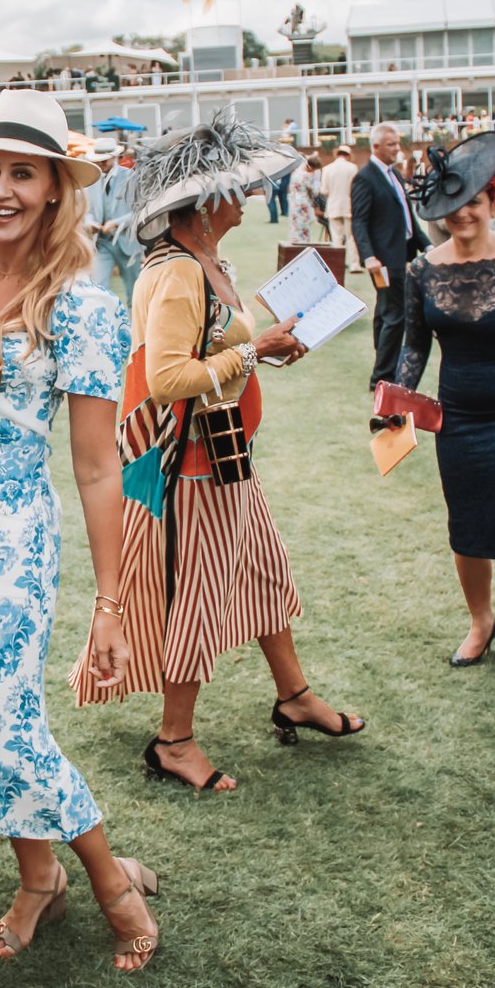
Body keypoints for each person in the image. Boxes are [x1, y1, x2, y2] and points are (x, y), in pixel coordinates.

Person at [0, 91, 160, 974]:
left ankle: (110, 883)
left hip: (9, 544)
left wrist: (111, 604)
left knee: (8, 724)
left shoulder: (82, 306)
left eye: (22, 173)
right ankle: (38, 881)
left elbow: (100, 466)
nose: (0, 188)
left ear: (57, 190)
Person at [71, 112, 364, 787]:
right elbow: (168, 378)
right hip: (193, 472)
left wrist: (263, 352)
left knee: (265, 576)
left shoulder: (208, 262)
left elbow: (214, 356)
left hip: (229, 461)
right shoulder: (175, 274)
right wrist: (251, 350)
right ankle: (174, 741)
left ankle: (293, 695)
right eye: (235, 189)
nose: (247, 197)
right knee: (195, 604)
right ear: (203, 205)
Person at [391, 133, 495, 690]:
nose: (464, 213)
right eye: (453, 205)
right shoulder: (422, 269)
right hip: (458, 418)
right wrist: (397, 404)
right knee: (465, 525)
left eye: (475, 201)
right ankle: (481, 621)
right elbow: (413, 345)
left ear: (494, 201)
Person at [351, 123, 428, 389]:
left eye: (397, 143)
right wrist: (369, 256)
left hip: (402, 253)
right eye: (391, 144)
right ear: (376, 147)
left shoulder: (393, 175)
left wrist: (427, 245)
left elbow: (408, 219)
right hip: (384, 259)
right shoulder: (366, 177)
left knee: (386, 313)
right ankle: (383, 376)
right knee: (396, 315)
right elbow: (359, 222)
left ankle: (383, 369)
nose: (397, 148)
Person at [85, 138, 143, 305]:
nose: (101, 163)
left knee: (135, 293)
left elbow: (139, 211)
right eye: (98, 160)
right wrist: (90, 223)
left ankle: (138, 328)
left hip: (128, 244)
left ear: (114, 158)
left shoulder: (131, 177)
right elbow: (87, 210)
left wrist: (116, 223)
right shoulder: (92, 180)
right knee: (96, 288)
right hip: (102, 244)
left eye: (104, 160)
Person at [321, 145, 363, 270]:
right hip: (349, 205)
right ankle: (354, 264)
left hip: (333, 205)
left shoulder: (327, 169)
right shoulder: (353, 168)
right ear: (348, 155)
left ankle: (337, 264)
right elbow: (357, 189)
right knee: (351, 236)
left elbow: (324, 190)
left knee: (336, 237)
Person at [287, 153, 322, 243]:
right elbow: (314, 191)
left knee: (295, 225)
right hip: (303, 202)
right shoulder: (306, 176)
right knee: (303, 225)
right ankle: (303, 242)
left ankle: (295, 241)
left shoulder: (296, 172)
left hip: (294, 200)